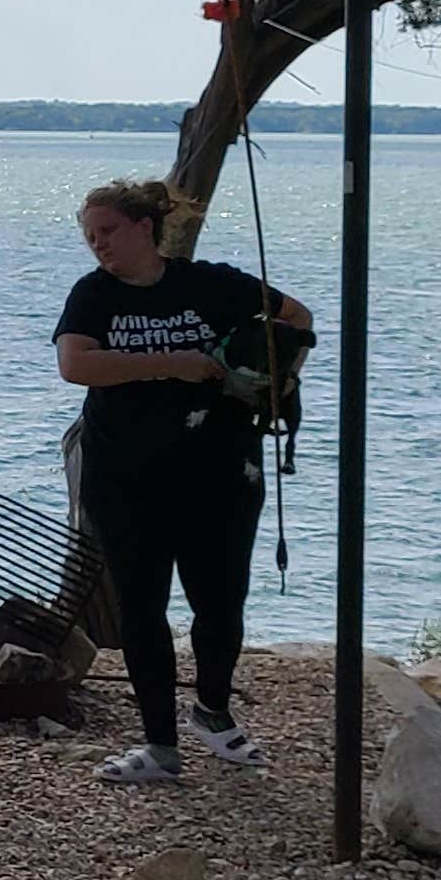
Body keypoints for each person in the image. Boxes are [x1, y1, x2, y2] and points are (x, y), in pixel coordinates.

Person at [54, 176, 312, 786]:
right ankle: (159, 744)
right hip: (125, 475)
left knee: (220, 601)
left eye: (109, 231)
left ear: (145, 227)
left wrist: (276, 377)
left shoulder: (213, 284)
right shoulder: (94, 295)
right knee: (142, 606)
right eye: (90, 236)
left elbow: (297, 318)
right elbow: (75, 364)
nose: (99, 245)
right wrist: (174, 363)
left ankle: (213, 711)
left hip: (221, 469)